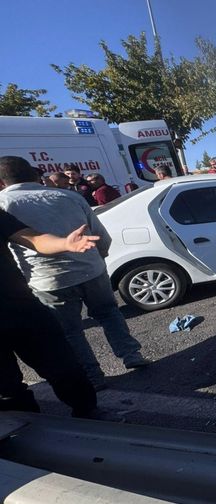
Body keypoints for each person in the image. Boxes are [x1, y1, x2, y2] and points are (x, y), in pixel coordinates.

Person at [0, 157, 149, 390]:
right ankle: (131, 355)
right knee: (109, 313)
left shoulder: (4, 203)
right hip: (91, 269)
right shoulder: (68, 196)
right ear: (34, 175)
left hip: (48, 279)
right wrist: (99, 258)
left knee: (71, 331)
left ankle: (93, 376)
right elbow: (100, 234)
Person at [0, 207, 119, 420]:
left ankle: (88, 411)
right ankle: (25, 431)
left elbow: (34, 239)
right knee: (7, 388)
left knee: (66, 368)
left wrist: (65, 244)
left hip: (22, 310)